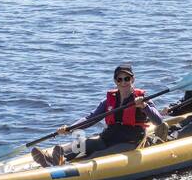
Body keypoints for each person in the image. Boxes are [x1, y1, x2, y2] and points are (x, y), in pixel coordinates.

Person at [31, 64, 166, 166]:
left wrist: (144, 106)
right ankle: (51, 158)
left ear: (132, 79)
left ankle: (63, 166)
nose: (124, 82)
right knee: (80, 144)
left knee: (97, 155)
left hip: (129, 142)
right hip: (107, 138)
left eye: (127, 78)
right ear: (115, 81)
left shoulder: (142, 99)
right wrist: (70, 128)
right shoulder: (108, 100)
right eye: (120, 79)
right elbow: (91, 118)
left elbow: (158, 120)